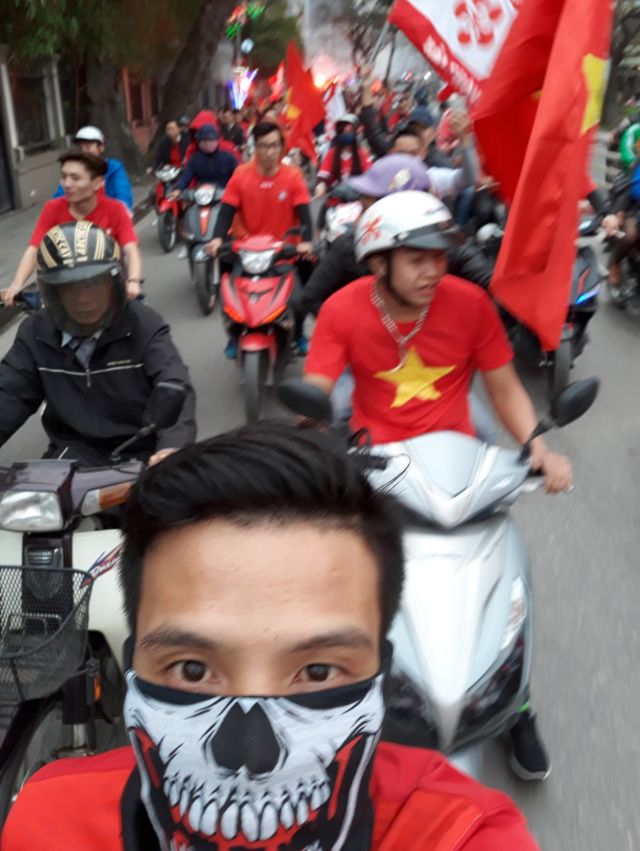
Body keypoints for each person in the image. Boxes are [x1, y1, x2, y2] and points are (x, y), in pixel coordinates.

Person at [1, 422, 541, 850]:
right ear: (133, 663)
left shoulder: (461, 830)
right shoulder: (49, 825)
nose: (250, 752)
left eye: (318, 671)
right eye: (193, 669)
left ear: (381, 674)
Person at [303, 192, 574, 781]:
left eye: (440, 256)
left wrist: (537, 445)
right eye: (418, 258)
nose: (434, 269)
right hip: (377, 468)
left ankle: (516, 702)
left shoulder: (469, 304)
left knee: (505, 579)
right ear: (379, 261)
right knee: (342, 582)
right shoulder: (343, 310)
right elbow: (315, 393)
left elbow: (502, 386)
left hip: (460, 463)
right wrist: (311, 444)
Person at [0, 222, 196, 467]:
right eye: (70, 288)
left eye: (94, 284)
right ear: (52, 292)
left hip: (143, 457)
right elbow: (9, 393)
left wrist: (170, 448)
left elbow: (174, 384)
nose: (84, 299)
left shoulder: (143, 324)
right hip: (71, 460)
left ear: (113, 284)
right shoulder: (36, 333)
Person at [303, 154, 492, 319]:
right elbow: (312, 297)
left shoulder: (449, 243)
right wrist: (353, 333)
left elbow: (492, 287)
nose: (430, 271)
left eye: (435, 257)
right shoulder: (350, 245)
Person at [206, 121, 314, 355]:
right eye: (263, 146)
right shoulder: (240, 175)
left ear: (282, 147)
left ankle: (298, 335)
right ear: (255, 148)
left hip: (283, 254)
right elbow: (226, 212)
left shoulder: (293, 176)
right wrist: (216, 239)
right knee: (229, 299)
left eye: (274, 145)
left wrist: (306, 241)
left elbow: (305, 214)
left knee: (298, 301)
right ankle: (235, 337)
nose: (269, 152)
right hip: (247, 254)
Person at [2, 149, 143, 306]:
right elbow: (34, 249)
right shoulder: (52, 208)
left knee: (140, 316)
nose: (67, 184)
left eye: (75, 178)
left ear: (97, 183)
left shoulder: (115, 210)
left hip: (108, 288)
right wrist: (16, 285)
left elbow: (131, 250)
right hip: (64, 292)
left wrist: (133, 281)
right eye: (64, 177)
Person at [54, 125, 133, 210]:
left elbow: (123, 195)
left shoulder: (113, 168)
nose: (84, 151)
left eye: (88, 147)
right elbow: (59, 198)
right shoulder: (72, 170)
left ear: (101, 148)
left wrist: (119, 211)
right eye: (80, 147)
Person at [169, 125, 237, 197]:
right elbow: (186, 175)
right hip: (201, 194)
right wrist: (178, 188)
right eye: (204, 141)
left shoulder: (228, 158)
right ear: (199, 142)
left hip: (223, 194)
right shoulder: (195, 159)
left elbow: (237, 174)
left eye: (211, 140)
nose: (208, 143)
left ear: (217, 141)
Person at [314, 114, 373, 197]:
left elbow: (369, 174)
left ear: (356, 133)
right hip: (337, 196)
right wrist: (321, 185)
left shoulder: (361, 154)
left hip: (357, 196)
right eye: (342, 132)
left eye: (349, 132)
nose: (346, 134)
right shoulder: (332, 153)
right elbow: (323, 174)